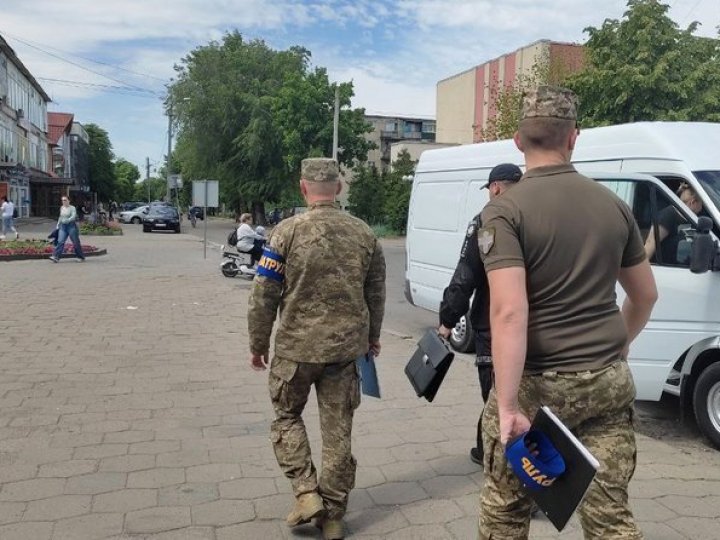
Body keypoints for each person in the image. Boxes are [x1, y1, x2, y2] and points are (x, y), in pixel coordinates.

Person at [477, 86, 658, 539]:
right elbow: (645, 295)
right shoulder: (614, 206)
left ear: (518, 140)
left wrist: (507, 407)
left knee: (505, 513)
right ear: (574, 137)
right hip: (605, 384)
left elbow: (509, 312)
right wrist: (619, 346)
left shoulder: (504, 211)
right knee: (610, 517)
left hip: (535, 387)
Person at [247, 158, 386, 540]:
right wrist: (373, 337)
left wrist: (258, 343)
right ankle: (334, 517)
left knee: (287, 417)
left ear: (303, 188)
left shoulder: (285, 232)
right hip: (344, 352)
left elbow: (263, 293)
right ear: (338, 188)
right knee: (338, 433)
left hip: (295, 350)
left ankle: (307, 492)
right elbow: (376, 292)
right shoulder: (364, 234)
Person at [438, 163, 522, 465]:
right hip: (535, 326)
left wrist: (447, 320)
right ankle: (485, 448)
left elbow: (465, 277)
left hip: (493, 327)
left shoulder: (485, 221)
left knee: (497, 398)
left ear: (495, 188)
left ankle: (501, 463)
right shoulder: (538, 216)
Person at [644, 182, 703, 263]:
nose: (701, 208)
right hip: (665, 267)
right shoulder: (668, 215)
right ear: (692, 202)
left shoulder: (689, 219)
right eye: (701, 204)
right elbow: (650, 243)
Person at [50, 195, 85, 262]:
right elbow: (60, 216)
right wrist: (58, 224)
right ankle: (56, 257)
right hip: (63, 226)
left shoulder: (72, 208)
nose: (63, 201)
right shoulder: (62, 207)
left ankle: (80, 257)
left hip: (71, 226)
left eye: (65, 200)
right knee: (60, 241)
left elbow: (73, 216)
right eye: (62, 200)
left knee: (75, 242)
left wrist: (67, 220)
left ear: (69, 200)